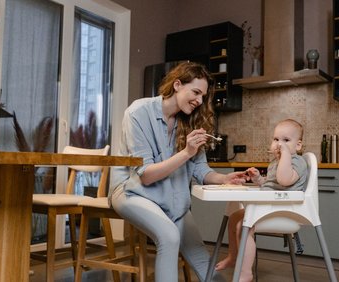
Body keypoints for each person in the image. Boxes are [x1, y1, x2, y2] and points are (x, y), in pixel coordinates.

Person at [109, 61, 248, 282]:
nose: (199, 101)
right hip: (132, 193)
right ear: (176, 85)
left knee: (202, 259)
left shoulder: (190, 121)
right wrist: (186, 152)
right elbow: (145, 175)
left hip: (173, 200)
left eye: (203, 96)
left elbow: (200, 170)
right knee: (169, 236)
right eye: (195, 92)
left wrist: (224, 178)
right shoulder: (138, 112)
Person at [215, 119, 308, 282]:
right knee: (234, 217)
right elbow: (270, 184)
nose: (280, 144)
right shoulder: (275, 163)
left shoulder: (297, 162)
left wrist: (285, 154)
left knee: (242, 225)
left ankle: (245, 273)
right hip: (269, 206)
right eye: (276, 139)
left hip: (284, 210)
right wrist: (258, 179)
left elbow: (284, 180)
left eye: (286, 140)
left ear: (298, 146)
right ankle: (233, 256)